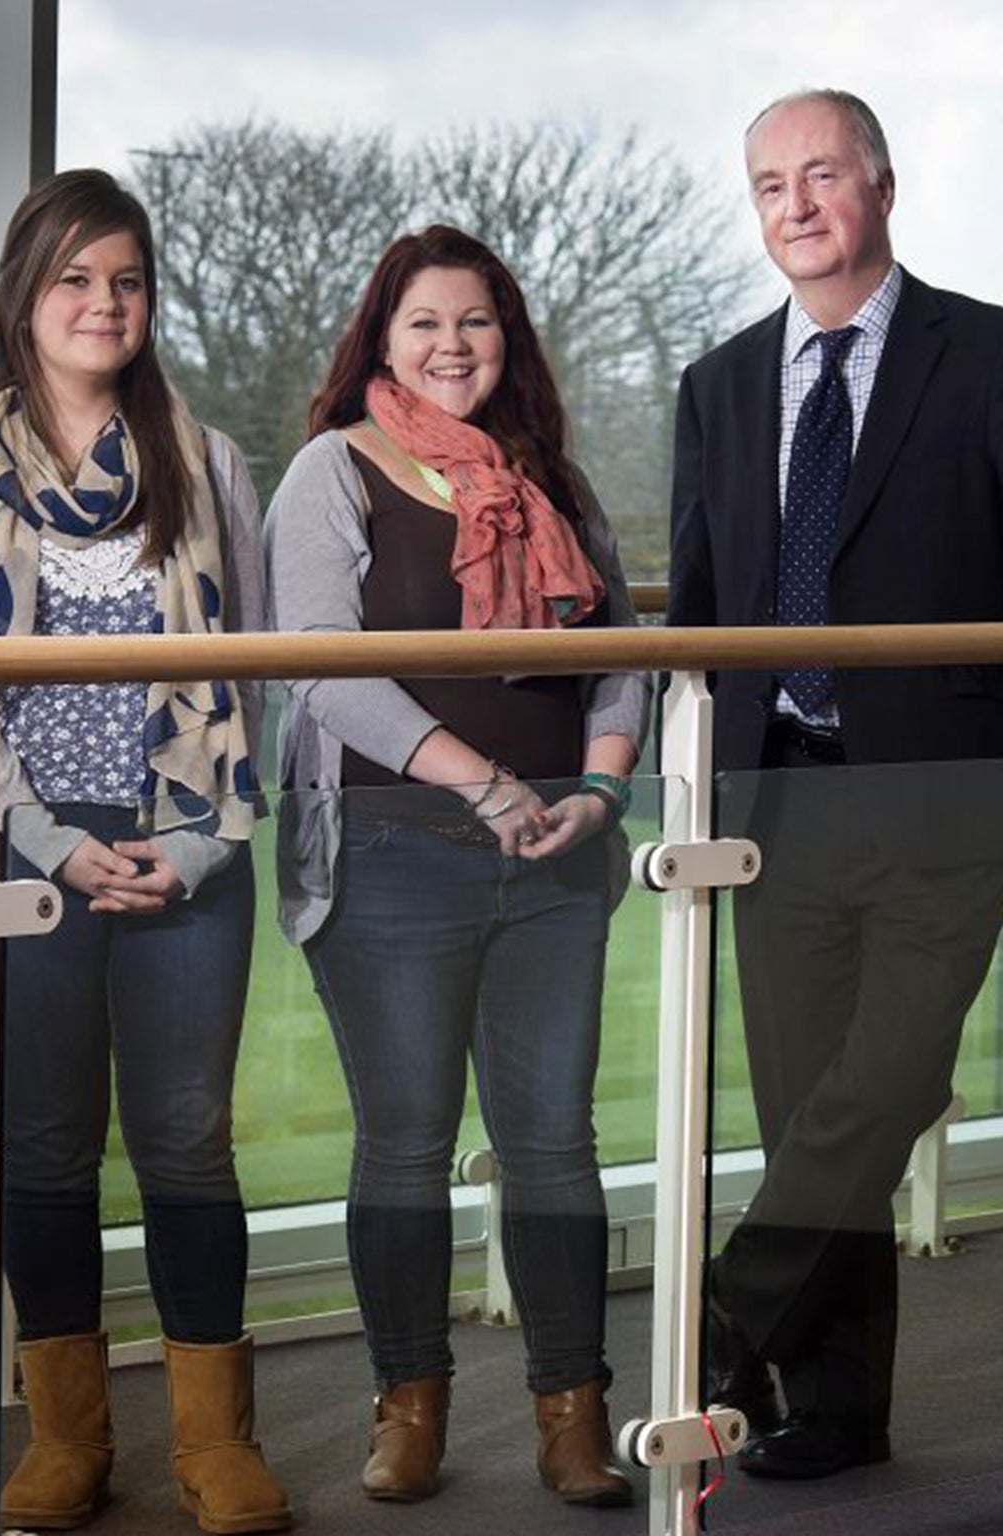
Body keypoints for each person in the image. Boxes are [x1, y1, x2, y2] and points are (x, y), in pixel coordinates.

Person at [668, 88, 1003, 1480]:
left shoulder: (985, 349)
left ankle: (727, 1313)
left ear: (882, 187)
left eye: (822, 176)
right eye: (769, 184)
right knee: (807, 1104)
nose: (796, 206)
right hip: (778, 799)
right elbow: (706, 608)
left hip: (941, 791)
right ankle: (836, 1410)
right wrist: (695, 791)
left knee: (884, 1084)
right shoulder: (716, 384)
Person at [0, 169, 289, 1535]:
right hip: (27, 857)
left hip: (189, 857)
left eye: (126, 280)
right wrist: (53, 845)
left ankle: (213, 1445)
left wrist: (197, 840)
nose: (103, 303)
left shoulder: (207, 459)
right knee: (46, 1147)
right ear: (25, 293)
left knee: (186, 1140)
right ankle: (67, 1439)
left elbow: (252, 672)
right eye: (75, 279)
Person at [264, 225, 648, 1510]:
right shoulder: (333, 471)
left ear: (507, 338)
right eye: (423, 322)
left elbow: (620, 654)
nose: (450, 346)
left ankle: (571, 1415)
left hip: (553, 857)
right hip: (391, 857)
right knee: (407, 1142)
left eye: (474, 322)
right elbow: (320, 666)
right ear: (382, 338)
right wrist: (475, 781)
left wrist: (597, 786)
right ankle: (408, 1405)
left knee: (552, 1143)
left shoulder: (555, 482)